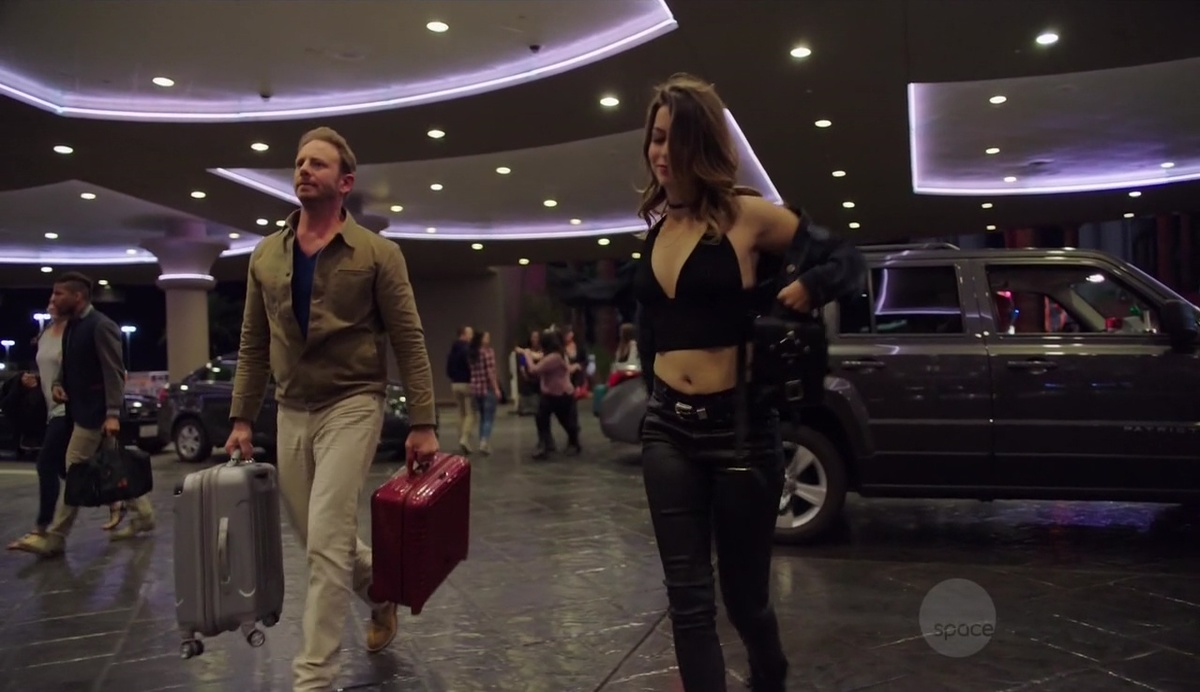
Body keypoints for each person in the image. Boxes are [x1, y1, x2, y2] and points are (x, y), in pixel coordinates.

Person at [632, 73, 865, 691]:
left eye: (674, 139)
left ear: (701, 144)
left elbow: (846, 259)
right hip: (667, 430)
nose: (660, 152)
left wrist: (810, 286)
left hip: (738, 433)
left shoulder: (747, 216)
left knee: (745, 601)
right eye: (656, 138)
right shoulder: (656, 231)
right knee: (688, 600)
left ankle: (770, 674)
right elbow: (653, 328)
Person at [226, 126, 439, 692]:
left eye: (317, 163)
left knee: (326, 540)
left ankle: (313, 678)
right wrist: (242, 418)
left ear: (345, 183)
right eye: (299, 162)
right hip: (291, 408)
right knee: (316, 536)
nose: (304, 169)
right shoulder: (266, 255)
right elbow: (252, 342)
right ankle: (380, 591)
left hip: (354, 401)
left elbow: (408, 338)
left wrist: (423, 422)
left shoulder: (377, 253)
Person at [19, 273, 156, 558]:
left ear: (78, 296)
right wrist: (57, 384)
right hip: (79, 412)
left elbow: (114, 372)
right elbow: (67, 364)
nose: (53, 299)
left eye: (59, 294)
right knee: (112, 465)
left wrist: (112, 413)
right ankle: (143, 515)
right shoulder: (73, 326)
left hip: (96, 414)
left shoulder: (100, 326)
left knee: (76, 469)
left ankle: (55, 536)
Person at [516, 330, 581, 459]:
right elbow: (537, 356)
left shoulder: (555, 357)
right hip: (549, 394)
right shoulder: (550, 355)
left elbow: (534, 369)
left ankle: (574, 442)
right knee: (541, 418)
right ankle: (545, 444)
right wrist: (525, 352)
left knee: (566, 421)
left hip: (562, 395)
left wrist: (526, 354)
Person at [467, 330, 501, 454]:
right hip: (487, 389)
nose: (489, 339)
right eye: (486, 337)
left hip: (475, 389)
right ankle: (484, 441)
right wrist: (496, 388)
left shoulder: (472, 353)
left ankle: (482, 441)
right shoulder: (488, 352)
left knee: (482, 416)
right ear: (481, 339)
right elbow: (491, 373)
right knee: (488, 418)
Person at [446, 326, 476, 453]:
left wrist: (454, 377)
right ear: (464, 334)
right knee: (470, 413)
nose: (471, 336)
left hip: (455, 384)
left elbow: (448, 368)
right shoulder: (467, 349)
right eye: (470, 334)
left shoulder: (452, 350)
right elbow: (471, 366)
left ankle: (461, 437)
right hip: (466, 383)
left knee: (460, 412)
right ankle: (464, 438)